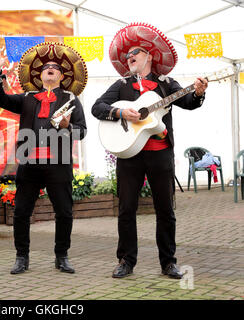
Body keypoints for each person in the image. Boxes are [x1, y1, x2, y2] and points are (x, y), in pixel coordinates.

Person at [92, 23, 208, 279]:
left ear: (149, 55)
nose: (129, 57)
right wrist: (121, 112)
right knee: (126, 209)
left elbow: (188, 103)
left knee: (165, 210)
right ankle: (126, 261)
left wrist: (198, 93)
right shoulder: (121, 85)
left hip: (160, 154)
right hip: (129, 154)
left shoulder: (166, 84)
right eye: (126, 55)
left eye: (135, 52)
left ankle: (169, 262)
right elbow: (97, 107)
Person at [0, 42, 87, 274]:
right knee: (22, 212)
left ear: (61, 76)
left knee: (64, 212)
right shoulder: (27, 98)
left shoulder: (71, 99)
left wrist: (68, 126)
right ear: (41, 76)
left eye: (55, 67)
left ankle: (61, 256)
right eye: (46, 67)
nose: (50, 68)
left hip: (58, 164)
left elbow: (82, 131)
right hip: (30, 164)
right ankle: (21, 257)